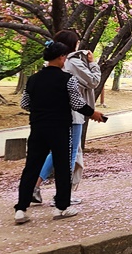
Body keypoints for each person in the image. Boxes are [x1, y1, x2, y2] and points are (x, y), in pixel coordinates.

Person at [14, 40, 104, 225]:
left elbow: (25, 104)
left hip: (38, 128)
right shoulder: (67, 79)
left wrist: (40, 110)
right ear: (61, 57)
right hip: (60, 128)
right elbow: (77, 104)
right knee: (63, 167)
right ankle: (61, 207)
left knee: (31, 167)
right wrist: (94, 113)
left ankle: (21, 209)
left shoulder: (33, 79)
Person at [32, 30, 100, 206]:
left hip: (57, 113)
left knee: (57, 153)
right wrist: (93, 64)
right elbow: (93, 81)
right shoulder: (73, 61)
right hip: (73, 114)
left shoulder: (57, 63)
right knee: (68, 156)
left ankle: (35, 186)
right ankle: (63, 196)